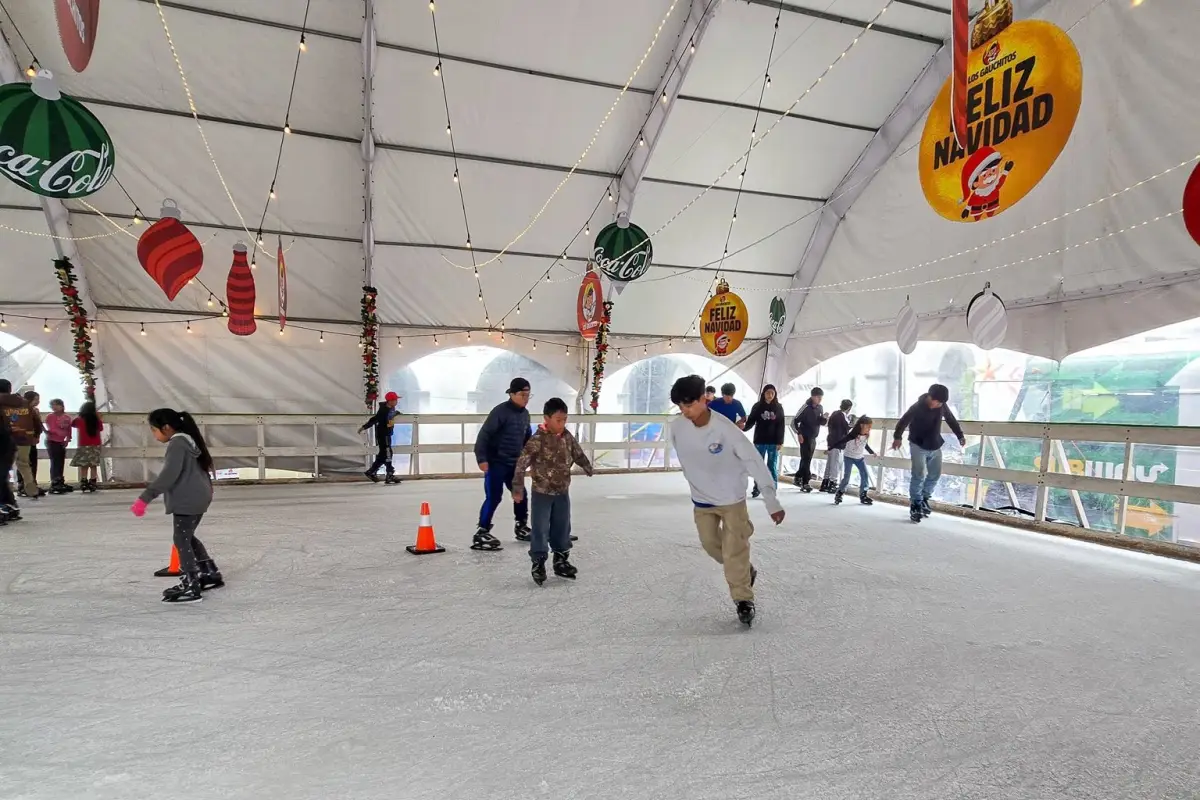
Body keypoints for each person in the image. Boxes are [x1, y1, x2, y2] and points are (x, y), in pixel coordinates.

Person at [669, 375, 785, 627]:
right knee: (712, 545)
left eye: (689, 405)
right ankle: (744, 568)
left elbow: (754, 460)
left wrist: (771, 500)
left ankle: (743, 599)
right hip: (702, 501)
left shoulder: (725, 429)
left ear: (704, 399)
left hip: (732, 499)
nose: (684, 411)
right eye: (680, 406)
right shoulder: (676, 427)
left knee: (734, 550)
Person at [131, 408, 221, 603]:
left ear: (166, 428)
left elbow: (169, 475)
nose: (154, 435)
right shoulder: (188, 440)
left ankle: (191, 583)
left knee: (181, 539)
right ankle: (208, 572)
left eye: (154, 430)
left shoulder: (178, 444)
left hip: (188, 498)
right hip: (199, 495)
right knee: (187, 536)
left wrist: (145, 497)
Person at [511, 397, 593, 585]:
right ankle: (538, 562)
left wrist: (586, 465)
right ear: (546, 418)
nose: (562, 424)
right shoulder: (537, 440)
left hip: (562, 492)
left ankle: (561, 559)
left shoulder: (566, 436)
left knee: (562, 527)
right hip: (542, 493)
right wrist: (517, 487)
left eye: (564, 419)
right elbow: (521, 464)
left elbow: (576, 451)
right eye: (558, 420)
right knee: (540, 529)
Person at [473, 377, 533, 550]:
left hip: (514, 463)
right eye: (522, 394)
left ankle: (521, 526)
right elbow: (484, 435)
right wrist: (482, 459)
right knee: (494, 497)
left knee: (520, 494)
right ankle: (482, 531)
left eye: (528, 395)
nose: (526, 398)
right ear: (512, 394)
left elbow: (527, 438)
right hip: (496, 462)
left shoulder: (525, 414)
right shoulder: (500, 412)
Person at [892, 384, 966, 523]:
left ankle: (924, 499)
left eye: (941, 403)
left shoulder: (942, 406)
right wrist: (897, 437)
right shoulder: (917, 407)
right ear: (929, 397)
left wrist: (960, 435)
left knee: (935, 475)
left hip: (935, 445)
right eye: (936, 401)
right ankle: (915, 504)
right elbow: (903, 421)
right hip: (917, 445)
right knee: (918, 475)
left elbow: (951, 419)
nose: (938, 405)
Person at [743, 384, 785, 499]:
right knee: (758, 466)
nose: (770, 395)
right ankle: (757, 487)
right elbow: (751, 421)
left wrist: (780, 441)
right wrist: (743, 428)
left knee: (771, 466)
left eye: (772, 393)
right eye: (768, 393)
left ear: (775, 394)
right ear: (763, 394)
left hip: (773, 442)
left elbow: (781, 425)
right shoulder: (757, 406)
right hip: (759, 441)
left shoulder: (778, 407)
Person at [0, 381, 41, 500]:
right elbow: (36, 419)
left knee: (3, 465)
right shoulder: (24, 403)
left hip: (5, 437)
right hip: (25, 436)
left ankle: (7, 489)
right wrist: (36, 435)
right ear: (9, 389)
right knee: (24, 463)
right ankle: (30, 486)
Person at [830, 415, 875, 506]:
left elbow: (864, 445)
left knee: (865, 475)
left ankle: (863, 495)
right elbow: (842, 441)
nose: (869, 429)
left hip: (859, 458)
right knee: (847, 477)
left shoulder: (866, 435)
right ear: (862, 425)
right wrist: (830, 448)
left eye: (870, 427)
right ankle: (839, 493)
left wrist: (872, 452)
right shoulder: (852, 434)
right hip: (849, 457)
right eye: (868, 427)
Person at [360, 391, 401, 484]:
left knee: (383, 454)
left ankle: (372, 471)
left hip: (387, 433)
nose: (396, 402)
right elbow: (376, 419)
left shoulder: (391, 408)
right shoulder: (383, 410)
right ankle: (389, 474)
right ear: (389, 401)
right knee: (387, 453)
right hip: (383, 434)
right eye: (395, 400)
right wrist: (365, 426)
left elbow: (390, 417)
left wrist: (395, 413)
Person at [791, 386, 826, 492]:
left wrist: (824, 418)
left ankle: (798, 477)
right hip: (804, 437)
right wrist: (799, 433)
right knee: (806, 459)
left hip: (813, 437)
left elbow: (820, 422)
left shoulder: (820, 408)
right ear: (812, 397)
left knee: (807, 459)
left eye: (821, 397)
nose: (820, 399)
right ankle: (805, 482)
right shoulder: (806, 407)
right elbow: (794, 421)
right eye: (818, 397)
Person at [821, 399, 853, 493]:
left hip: (831, 441)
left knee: (829, 463)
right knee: (835, 464)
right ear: (849, 408)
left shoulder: (834, 413)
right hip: (838, 443)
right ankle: (832, 484)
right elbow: (846, 428)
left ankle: (825, 483)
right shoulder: (842, 416)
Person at [71, 401, 104, 493]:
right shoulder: (96, 420)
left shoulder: (80, 420)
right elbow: (101, 428)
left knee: (84, 465)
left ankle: (84, 481)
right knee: (93, 464)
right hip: (95, 444)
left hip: (83, 444)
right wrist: (99, 418)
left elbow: (72, 424)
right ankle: (93, 482)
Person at [43, 398, 74, 494]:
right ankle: (55, 482)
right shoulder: (50, 417)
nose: (54, 407)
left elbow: (69, 429)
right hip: (52, 440)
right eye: (52, 405)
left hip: (61, 441)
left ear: (62, 406)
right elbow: (52, 428)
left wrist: (68, 439)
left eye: (56, 405)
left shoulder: (67, 417)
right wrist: (58, 433)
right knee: (55, 461)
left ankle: (60, 480)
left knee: (61, 461)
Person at [16, 391, 44, 497]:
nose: (38, 401)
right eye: (36, 399)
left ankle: (32, 485)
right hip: (22, 440)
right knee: (23, 463)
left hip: (31, 440)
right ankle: (22, 486)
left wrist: (37, 436)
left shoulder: (34, 411)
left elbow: (38, 425)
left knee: (32, 463)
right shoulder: (21, 410)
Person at [0, 381, 18, 522]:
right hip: (10, 442)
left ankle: (3, 507)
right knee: (2, 476)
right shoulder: (22, 402)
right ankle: (10, 505)